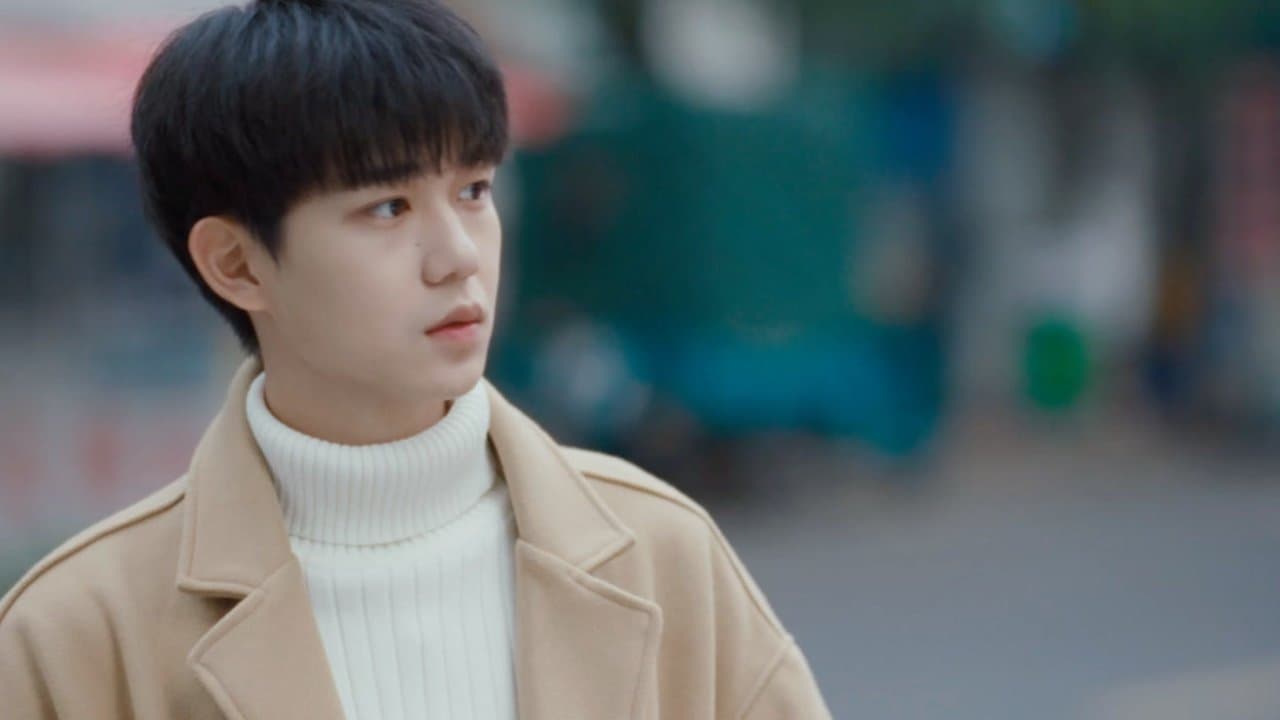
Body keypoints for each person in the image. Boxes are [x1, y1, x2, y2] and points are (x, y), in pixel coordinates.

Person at [0, 1, 831, 717]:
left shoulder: (662, 554)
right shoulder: (78, 632)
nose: (458, 256)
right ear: (237, 264)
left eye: (474, 190)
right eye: (388, 207)